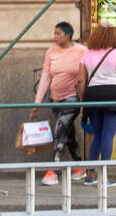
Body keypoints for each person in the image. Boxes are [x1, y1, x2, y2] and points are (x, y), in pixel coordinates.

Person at [77, 25, 116, 187]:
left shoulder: (87, 54)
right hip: (114, 95)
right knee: (108, 135)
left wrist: (82, 102)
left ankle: (90, 175)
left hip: (92, 95)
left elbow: (81, 81)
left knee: (98, 135)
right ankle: (104, 176)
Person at [34, 22, 87, 186]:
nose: (55, 36)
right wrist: (37, 102)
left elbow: (86, 75)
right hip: (55, 99)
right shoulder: (51, 51)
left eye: (58, 34)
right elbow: (45, 76)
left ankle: (53, 170)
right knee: (68, 134)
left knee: (60, 130)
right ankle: (79, 165)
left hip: (73, 99)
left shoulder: (81, 51)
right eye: (54, 33)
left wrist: (85, 102)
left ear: (68, 35)